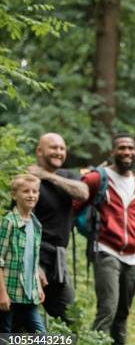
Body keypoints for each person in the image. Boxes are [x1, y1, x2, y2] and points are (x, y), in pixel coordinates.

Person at [74, 134, 135, 345]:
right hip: (106, 249)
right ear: (112, 152)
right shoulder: (97, 179)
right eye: (122, 148)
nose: (127, 152)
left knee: (122, 313)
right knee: (108, 308)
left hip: (133, 256)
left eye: (130, 148)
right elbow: (73, 204)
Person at [26, 133, 89, 324]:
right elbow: (24, 223)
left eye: (62, 148)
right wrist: (34, 265)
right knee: (18, 323)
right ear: (39, 151)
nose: (59, 152)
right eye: (53, 147)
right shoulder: (29, 181)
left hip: (58, 261)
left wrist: (47, 176)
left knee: (72, 322)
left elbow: (83, 192)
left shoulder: (67, 176)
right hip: (35, 258)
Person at [0, 174, 46, 337]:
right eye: (26, 191)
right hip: (9, 291)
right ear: (14, 195)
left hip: (28, 293)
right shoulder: (9, 222)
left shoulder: (36, 224)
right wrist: (2, 293)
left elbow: (32, 260)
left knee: (41, 336)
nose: (31, 195)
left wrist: (38, 286)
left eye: (35, 191)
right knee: (4, 335)